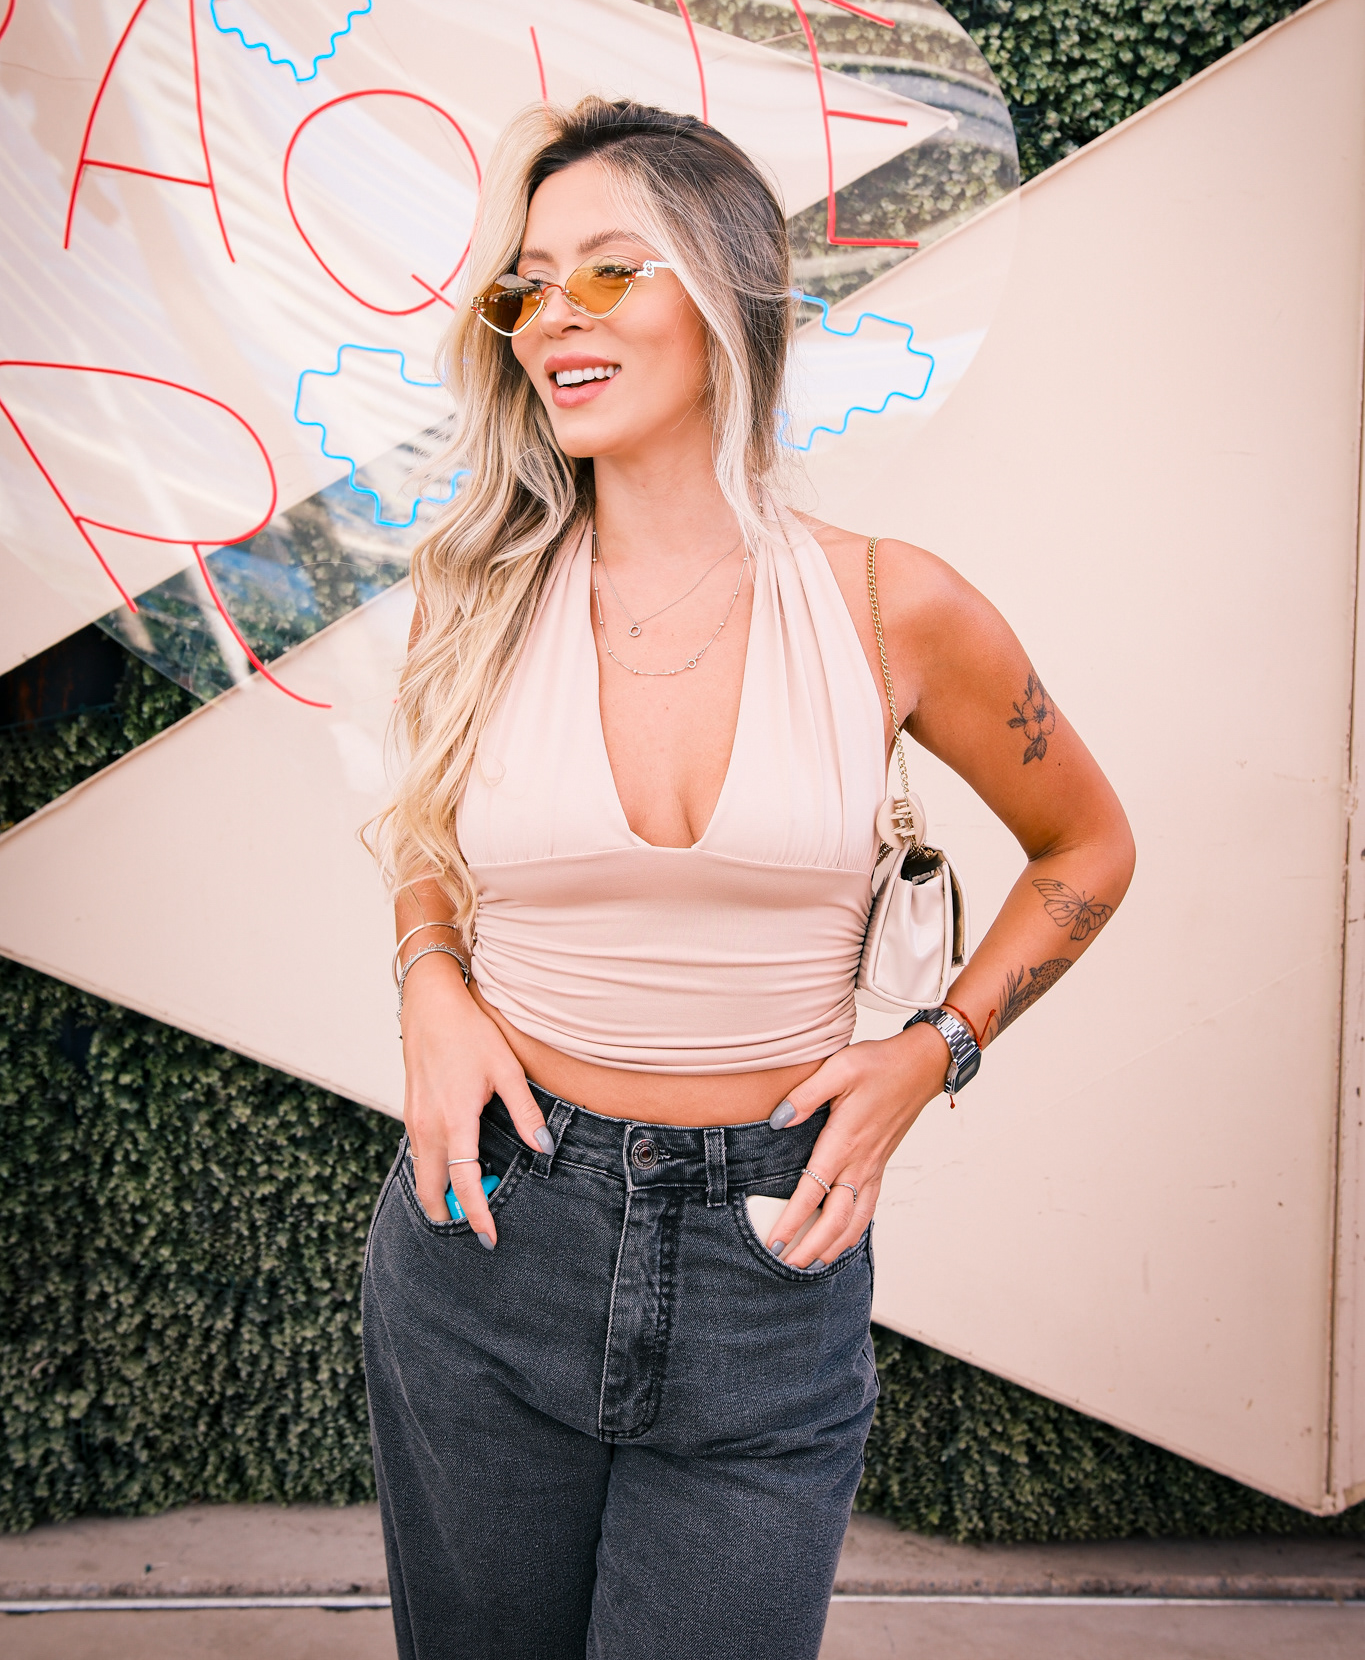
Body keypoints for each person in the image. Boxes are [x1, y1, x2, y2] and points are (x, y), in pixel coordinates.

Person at [363, 96, 1134, 1660]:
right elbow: (425, 836)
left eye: (607, 270)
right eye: (527, 285)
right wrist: (429, 984)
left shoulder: (891, 604)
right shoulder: (477, 593)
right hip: (493, 1227)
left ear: (726, 298)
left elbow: (1088, 848)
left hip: (766, 1253)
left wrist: (937, 1048)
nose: (552, 316)